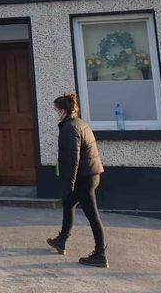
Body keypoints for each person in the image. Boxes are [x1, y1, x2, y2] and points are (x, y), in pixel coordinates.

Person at [47, 92, 108, 268]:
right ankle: (62, 239)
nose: (55, 114)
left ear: (63, 111)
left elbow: (72, 159)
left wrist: (69, 184)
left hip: (83, 178)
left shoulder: (69, 128)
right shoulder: (80, 123)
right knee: (68, 204)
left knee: (92, 215)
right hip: (91, 175)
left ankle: (100, 254)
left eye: (56, 110)